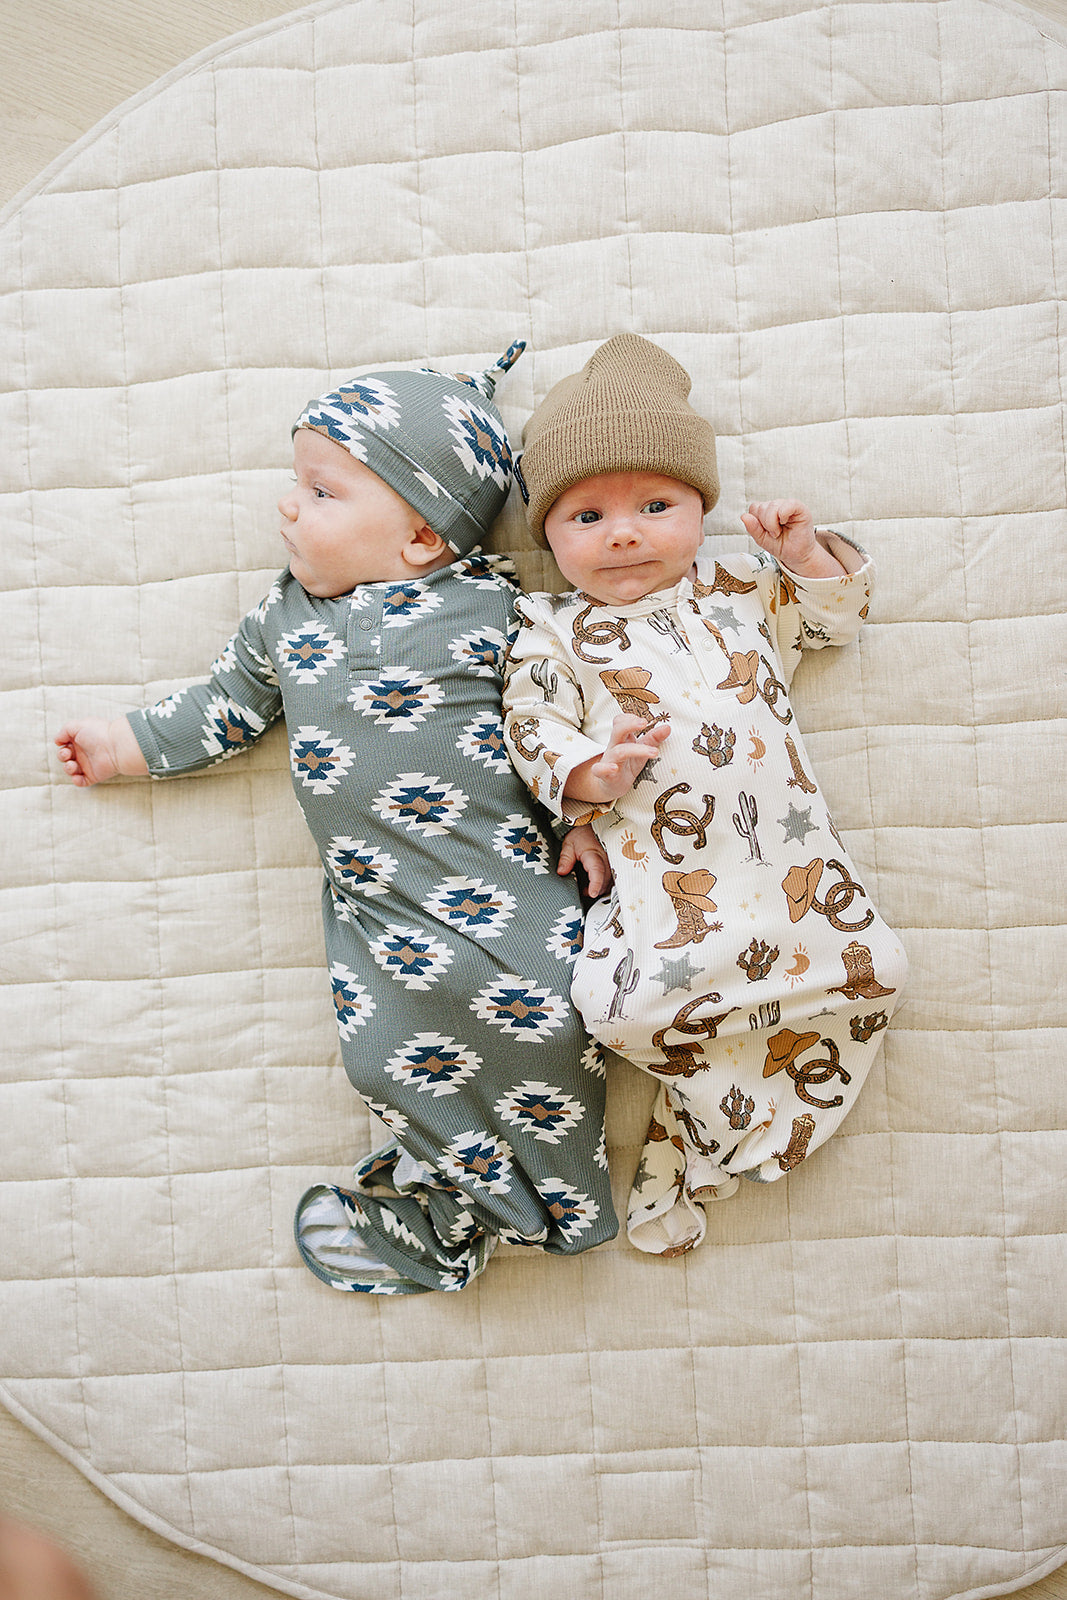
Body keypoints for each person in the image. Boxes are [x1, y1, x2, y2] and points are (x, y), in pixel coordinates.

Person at [54, 341, 619, 1294]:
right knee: (383, 1062)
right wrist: (124, 745)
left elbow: (555, 713)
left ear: (422, 538)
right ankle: (467, 1208)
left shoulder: (495, 610)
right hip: (382, 911)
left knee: (551, 1037)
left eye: (320, 492)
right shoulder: (283, 619)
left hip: (508, 891)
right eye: (297, 484)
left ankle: (568, 1203)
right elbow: (224, 708)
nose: (287, 506)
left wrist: (582, 808)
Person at [502, 333, 908, 1257]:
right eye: (586, 516)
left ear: (700, 509)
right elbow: (531, 723)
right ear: (547, 536)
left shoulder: (740, 592)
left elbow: (834, 620)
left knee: (877, 971)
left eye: (655, 506)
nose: (624, 533)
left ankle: (710, 1127)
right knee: (619, 1013)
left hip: (791, 875)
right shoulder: (553, 628)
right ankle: (706, 1110)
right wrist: (589, 775)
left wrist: (804, 553)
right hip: (666, 882)